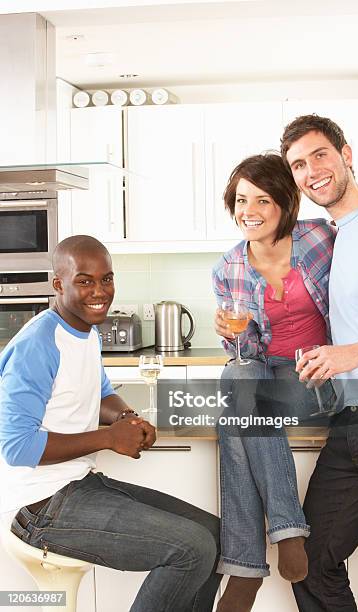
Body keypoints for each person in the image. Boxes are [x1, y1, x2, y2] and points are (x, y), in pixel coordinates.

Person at [0, 235, 221, 612]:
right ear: (59, 284)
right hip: (37, 507)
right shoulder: (39, 343)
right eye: (84, 281)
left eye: (107, 279)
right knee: (192, 549)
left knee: (217, 536)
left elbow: (101, 393)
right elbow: (17, 447)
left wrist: (126, 417)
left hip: (77, 485)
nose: (99, 291)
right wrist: (108, 438)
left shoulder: (85, 331)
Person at [280, 114, 358, 612]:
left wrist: (349, 354)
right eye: (298, 165)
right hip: (352, 422)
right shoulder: (335, 234)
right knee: (308, 561)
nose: (311, 170)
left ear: (345, 154)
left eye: (320, 155)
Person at [212, 153, 336, 612]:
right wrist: (235, 336)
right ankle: (287, 532)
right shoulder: (227, 268)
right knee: (240, 379)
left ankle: (244, 568)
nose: (250, 211)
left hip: (316, 376)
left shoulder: (321, 238)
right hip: (266, 376)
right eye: (242, 200)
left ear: (285, 203)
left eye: (263, 200)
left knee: (236, 417)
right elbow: (246, 353)